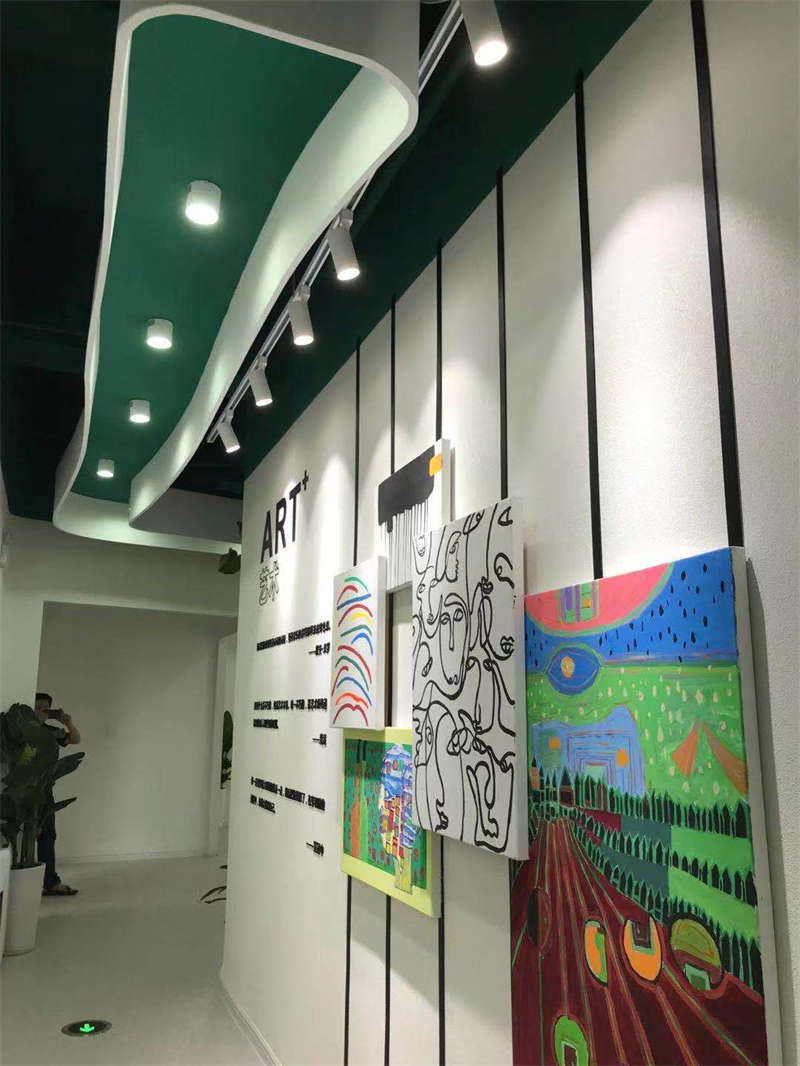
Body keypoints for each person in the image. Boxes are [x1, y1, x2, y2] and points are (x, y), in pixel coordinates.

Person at [33, 692, 80, 897]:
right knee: (24, 836)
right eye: (37, 707)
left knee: (48, 835)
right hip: (23, 791)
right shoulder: (20, 730)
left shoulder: (51, 731)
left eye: (45, 708)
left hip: (45, 790)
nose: (41, 711)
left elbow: (75, 739)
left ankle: (50, 882)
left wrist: (68, 723)